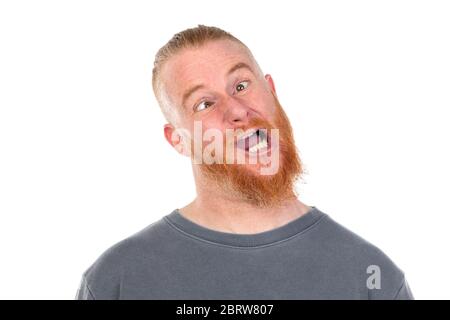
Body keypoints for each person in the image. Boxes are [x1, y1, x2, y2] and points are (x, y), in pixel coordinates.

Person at [75, 25, 414, 300]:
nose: (237, 110)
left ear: (271, 91)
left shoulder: (370, 277)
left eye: (241, 84)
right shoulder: (117, 280)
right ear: (178, 140)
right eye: (204, 104)